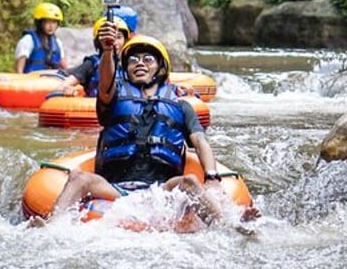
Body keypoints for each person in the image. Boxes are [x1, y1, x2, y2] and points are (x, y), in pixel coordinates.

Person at [37, 29, 224, 229]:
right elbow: (106, 84)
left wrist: (212, 176)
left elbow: (200, 142)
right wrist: (108, 50)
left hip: (162, 189)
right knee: (79, 177)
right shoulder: (113, 98)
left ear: (161, 68)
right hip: (115, 188)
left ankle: (228, 224)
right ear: (126, 69)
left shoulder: (182, 106)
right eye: (133, 60)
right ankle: (50, 227)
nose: (140, 63)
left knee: (189, 181)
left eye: (148, 59)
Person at [54, 16, 130, 97]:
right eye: (109, 38)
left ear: (125, 40)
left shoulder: (130, 64)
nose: (115, 42)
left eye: (118, 37)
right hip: (95, 107)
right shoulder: (91, 64)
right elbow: (62, 86)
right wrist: (67, 90)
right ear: (98, 41)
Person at [14, 2, 67, 73]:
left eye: (54, 22)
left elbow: (64, 66)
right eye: (47, 22)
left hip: (50, 80)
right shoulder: (28, 40)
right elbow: (19, 68)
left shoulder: (57, 42)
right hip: (30, 80)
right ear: (39, 23)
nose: (51, 26)